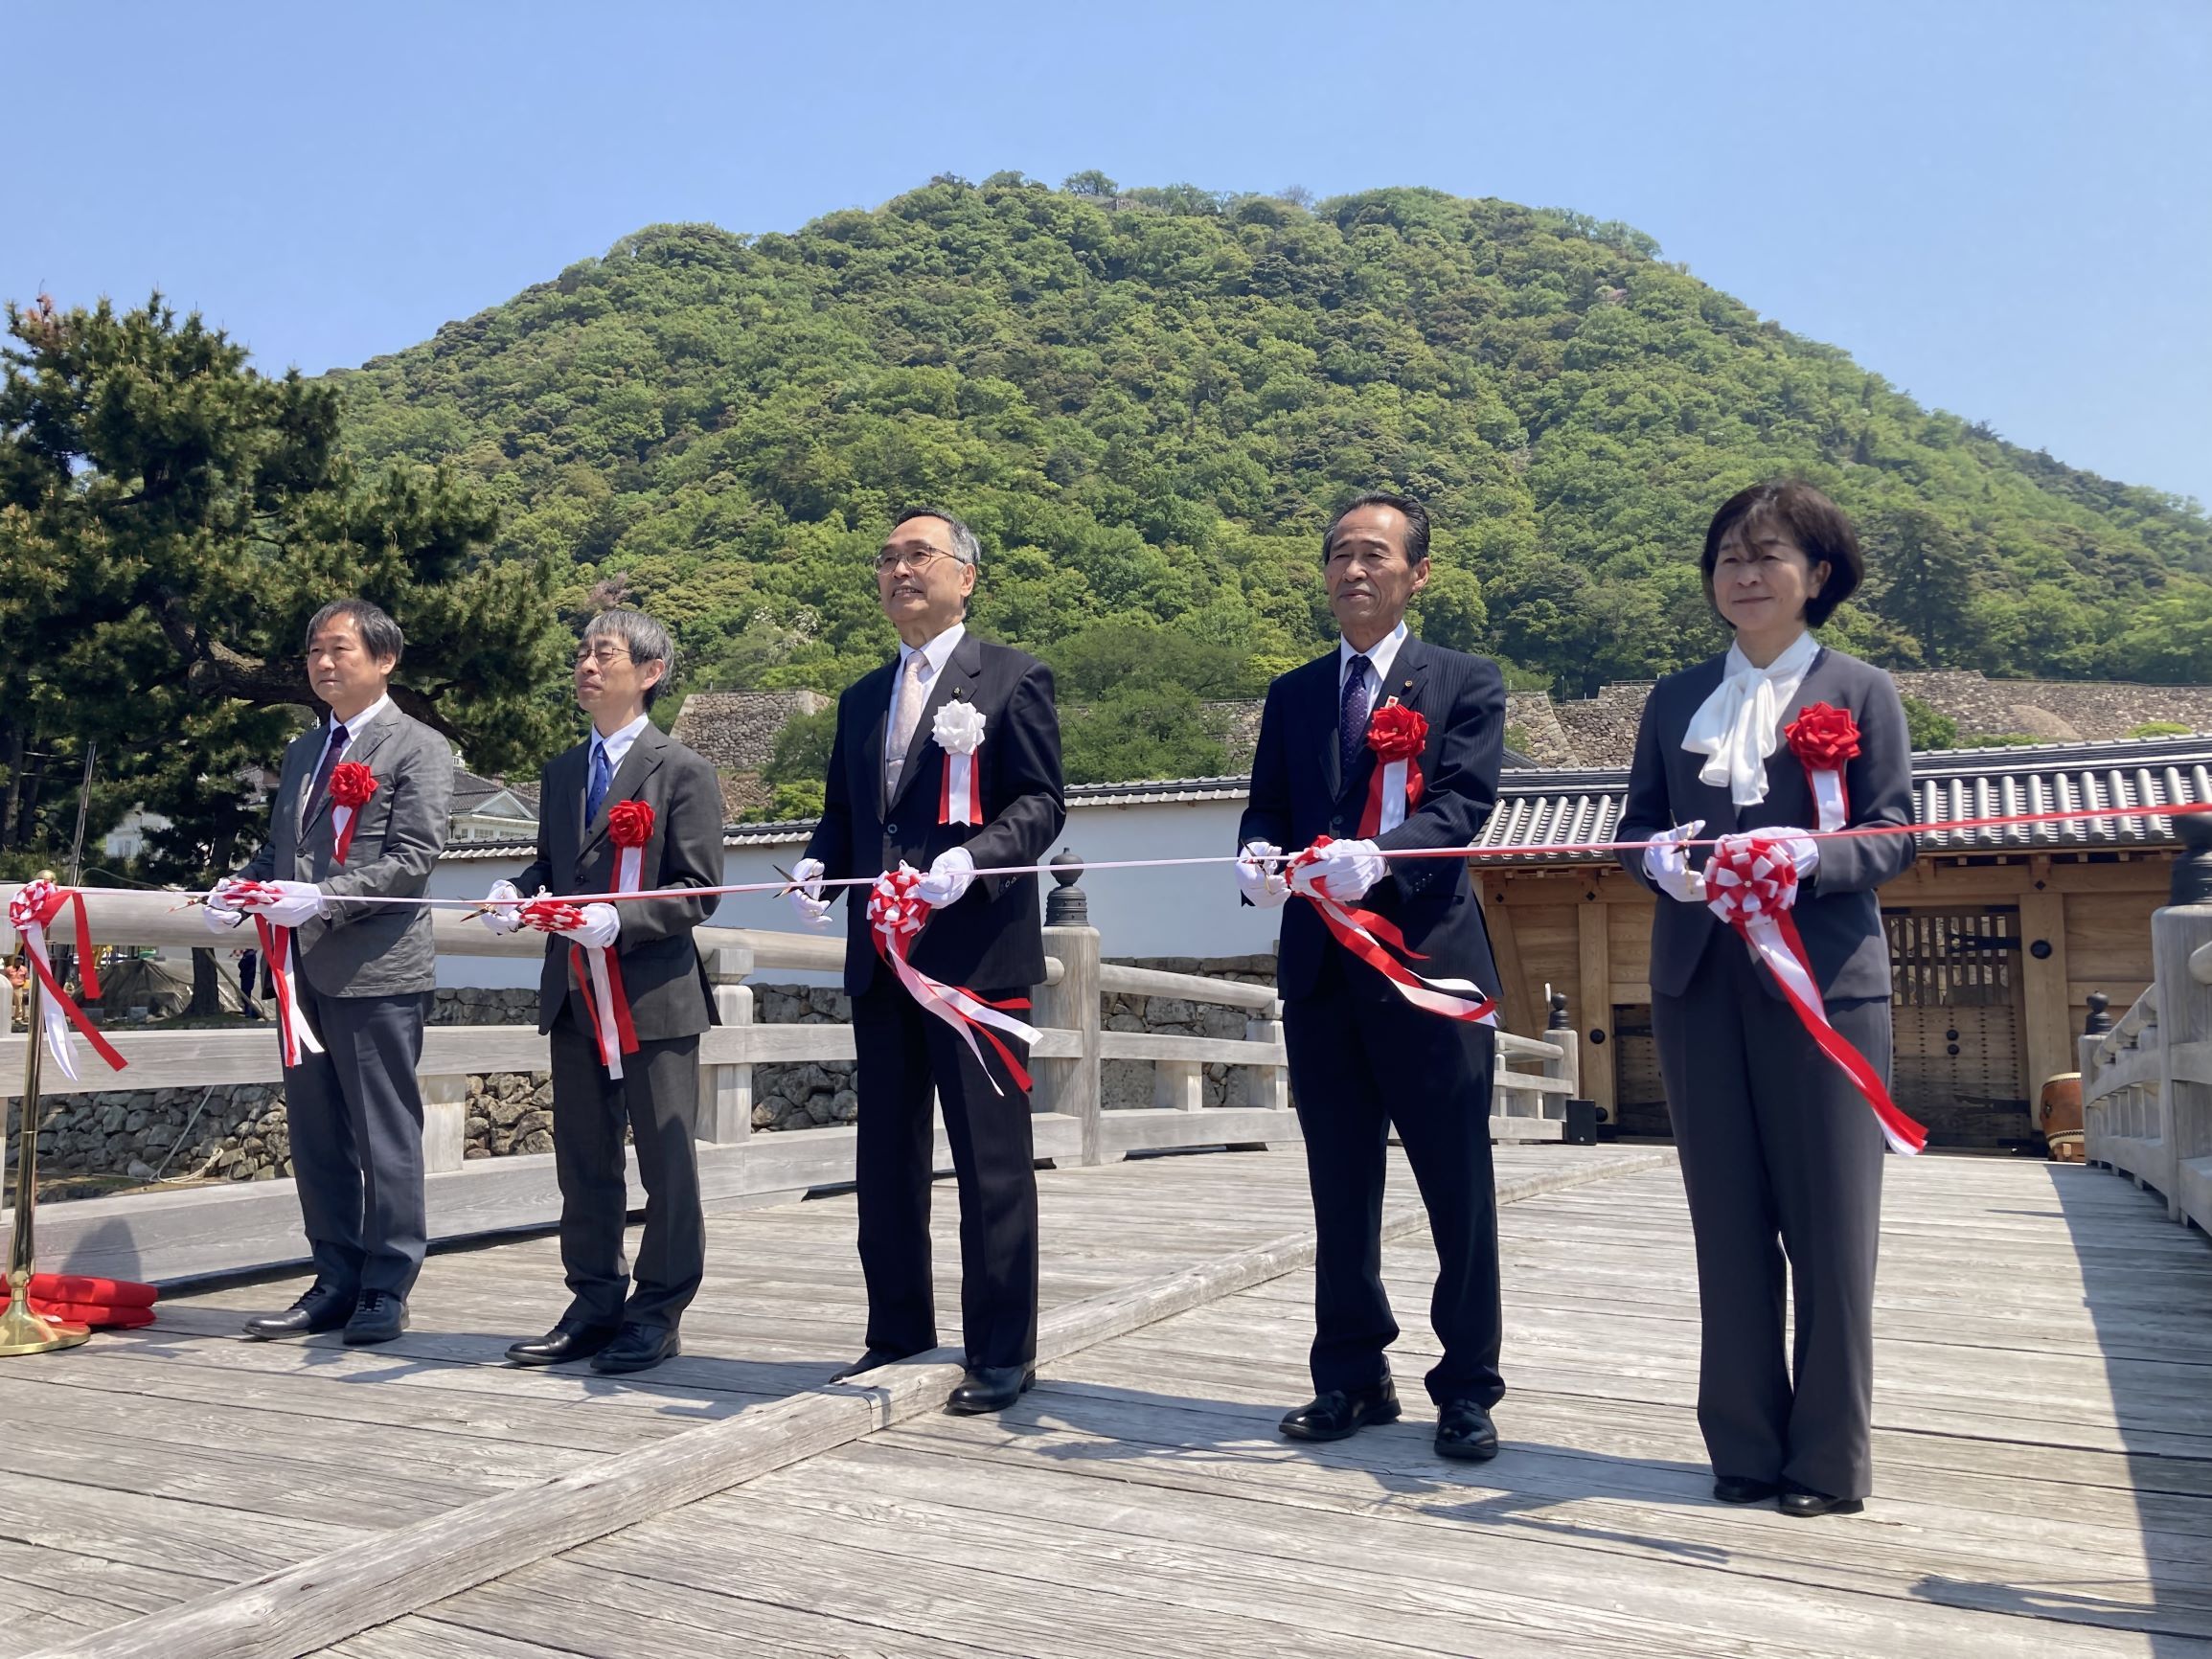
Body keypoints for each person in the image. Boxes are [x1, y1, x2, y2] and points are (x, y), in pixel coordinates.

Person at [1617, 480, 1915, 1518]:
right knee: (1725, 1220)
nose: (1744, 574)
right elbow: (1635, 826)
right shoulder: (1671, 699)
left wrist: (1810, 855)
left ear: (1816, 574)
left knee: (1831, 1225)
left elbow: (1892, 833)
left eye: (1767, 555)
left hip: (1824, 988)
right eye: (1727, 558)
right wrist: (1658, 862)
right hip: (1698, 983)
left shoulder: (1860, 690)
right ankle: (1741, 1445)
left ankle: (1826, 1462)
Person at [1235, 490, 1511, 1462]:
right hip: (1320, 969)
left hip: (1426, 966)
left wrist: (1380, 856)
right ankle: (1350, 1375)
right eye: (1339, 555)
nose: (1353, 570)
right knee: (1339, 1183)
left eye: (1374, 555)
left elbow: (1462, 804)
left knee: (1454, 1183)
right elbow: (1268, 803)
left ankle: (1466, 1385)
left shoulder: (1464, 679)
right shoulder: (1295, 691)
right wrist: (1256, 854)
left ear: (1416, 574)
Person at [787, 506, 1064, 1414]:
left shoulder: (1013, 677)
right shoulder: (862, 697)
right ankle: (896, 1332)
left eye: (919, 555)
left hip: (976, 955)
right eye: (887, 558)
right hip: (881, 955)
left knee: (990, 1157)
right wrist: (820, 865)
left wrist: (971, 862)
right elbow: (846, 814)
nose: (899, 570)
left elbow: (1040, 805)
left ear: (965, 576)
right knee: (885, 1156)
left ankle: (1001, 1350)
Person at [478, 609, 724, 1376]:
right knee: (583, 1161)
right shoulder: (561, 772)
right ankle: (592, 1302)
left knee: (666, 1162)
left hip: (653, 996)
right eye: (581, 654)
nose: (585, 666)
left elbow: (699, 889)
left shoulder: (682, 769)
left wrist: (619, 919)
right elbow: (551, 866)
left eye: (603, 654)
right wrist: (515, 891)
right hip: (573, 993)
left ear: (650, 672)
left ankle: (657, 1313)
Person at [206, 598, 454, 1344]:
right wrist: (240, 888)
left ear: (384, 659)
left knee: (384, 1135)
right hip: (300, 971)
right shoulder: (304, 752)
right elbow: (283, 851)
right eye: (314, 650)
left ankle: (387, 1285)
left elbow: (413, 860)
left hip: (377, 968)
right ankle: (334, 1278)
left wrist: (323, 898)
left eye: (339, 649)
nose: (322, 662)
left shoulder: (419, 747)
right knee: (316, 1136)